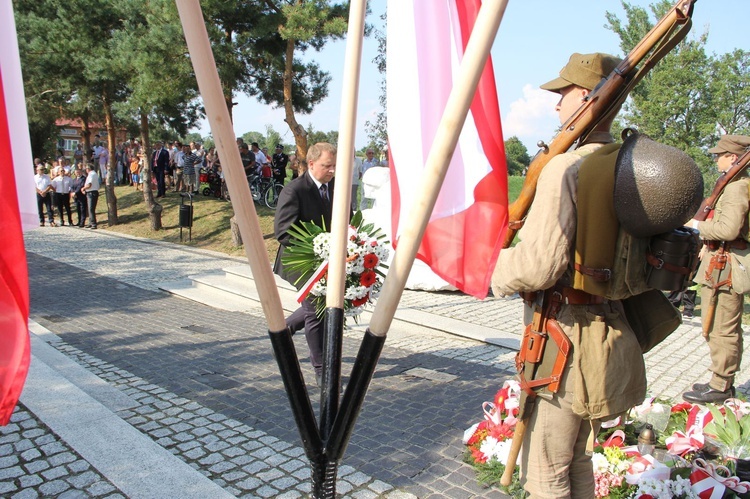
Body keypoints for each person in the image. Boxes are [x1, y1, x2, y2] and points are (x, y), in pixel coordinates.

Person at [491, 52, 646, 498]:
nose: (556, 106)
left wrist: (488, 267)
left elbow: (540, 265)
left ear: (585, 97)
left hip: (564, 342)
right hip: (610, 330)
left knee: (546, 469)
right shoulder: (628, 163)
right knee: (576, 459)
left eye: (562, 95)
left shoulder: (566, 167)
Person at [681, 134, 750, 404]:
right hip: (720, 264)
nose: (716, 159)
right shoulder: (732, 185)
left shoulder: (735, 188)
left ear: (733, 158)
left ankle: (721, 385)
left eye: (720, 155)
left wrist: (696, 226)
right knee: (716, 326)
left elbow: (729, 229)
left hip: (727, 267)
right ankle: (719, 379)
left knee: (723, 328)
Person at [274, 142, 337, 387]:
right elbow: (283, 232)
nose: (332, 171)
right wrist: (318, 246)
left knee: (320, 306)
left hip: (328, 260)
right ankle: (322, 372)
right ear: (311, 164)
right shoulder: (294, 190)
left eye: (334, 166)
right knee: (316, 312)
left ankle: (285, 330)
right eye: (326, 166)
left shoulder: (336, 188)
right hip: (298, 260)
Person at [81, 163, 100, 229]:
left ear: (88, 169)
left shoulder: (91, 174)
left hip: (92, 192)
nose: (86, 170)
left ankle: (93, 223)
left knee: (91, 209)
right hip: (91, 192)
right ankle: (90, 222)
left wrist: (83, 188)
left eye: (86, 169)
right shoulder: (93, 174)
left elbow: (89, 185)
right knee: (90, 208)